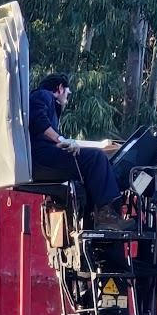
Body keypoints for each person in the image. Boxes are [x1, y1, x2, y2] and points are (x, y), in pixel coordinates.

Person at [28, 73, 129, 229]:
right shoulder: (43, 95)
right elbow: (38, 121)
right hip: (42, 157)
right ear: (60, 88)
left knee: (90, 167)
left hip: (42, 155)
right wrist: (60, 139)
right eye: (67, 92)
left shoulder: (48, 102)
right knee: (96, 158)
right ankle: (106, 216)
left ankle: (94, 214)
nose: (68, 97)